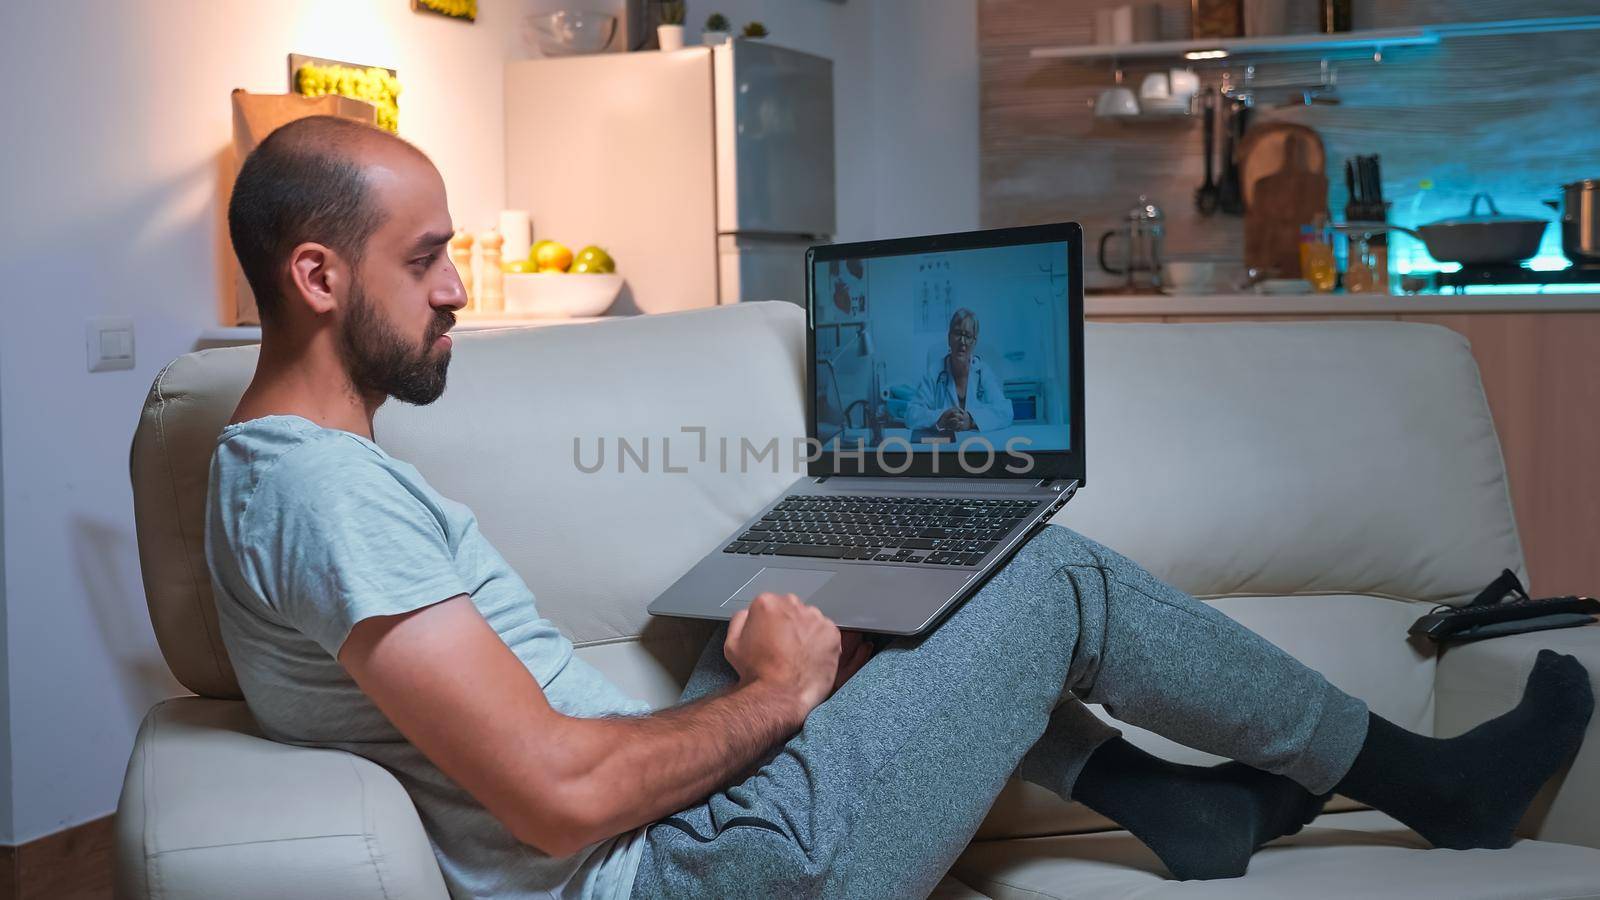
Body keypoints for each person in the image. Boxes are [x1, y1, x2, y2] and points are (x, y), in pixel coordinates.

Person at [209, 116, 1594, 900]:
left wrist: (785, 650)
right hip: (696, 878)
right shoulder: (329, 502)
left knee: (835, 590)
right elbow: (563, 801)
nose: (457, 288)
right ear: (320, 278)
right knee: (1051, 583)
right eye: (428, 258)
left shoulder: (269, 463)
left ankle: (1177, 812)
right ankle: (1433, 786)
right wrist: (782, 694)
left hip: (657, 836)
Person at [905, 308, 1014, 434]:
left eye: (967, 336)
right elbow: (911, 414)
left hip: (978, 446)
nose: (962, 342)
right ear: (949, 338)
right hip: (944, 447)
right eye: (957, 333)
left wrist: (972, 420)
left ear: (974, 342)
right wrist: (940, 417)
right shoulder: (935, 372)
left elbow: (1006, 411)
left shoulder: (982, 372)